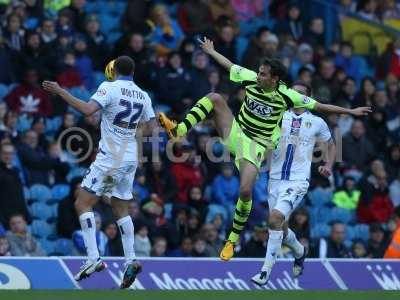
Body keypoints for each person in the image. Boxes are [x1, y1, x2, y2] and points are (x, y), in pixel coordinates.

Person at [158, 37, 371, 262]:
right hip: (236, 131)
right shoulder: (250, 79)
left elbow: (320, 106)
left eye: (263, 74)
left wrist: (351, 111)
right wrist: (211, 51)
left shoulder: (288, 95)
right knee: (215, 98)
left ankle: (231, 240)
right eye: (258, 72)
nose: (258, 76)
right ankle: (179, 129)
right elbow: (229, 65)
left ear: (274, 78)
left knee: (245, 191)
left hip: (255, 145)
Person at [42, 55, 157, 289]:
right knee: (120, 207)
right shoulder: (143, 95)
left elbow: (87, 110)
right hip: (130, 158)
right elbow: (152, 128)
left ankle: (93, 258)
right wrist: (129, 129)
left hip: (110, 157)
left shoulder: (109, 87)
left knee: (82, 203)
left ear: (114, 70)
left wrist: (61, 91)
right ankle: (131, 259)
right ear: (132, 72)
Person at [251, 82, 336, 285]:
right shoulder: (279, 115)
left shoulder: (316, 122)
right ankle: (299, 251)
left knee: (274, 220)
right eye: (293, 92)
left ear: (308, 98)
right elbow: (262, 140)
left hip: (298, 181)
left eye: (300, 93)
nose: (295, 95)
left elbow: (331, 145)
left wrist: (328, 164)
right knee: (281, 227)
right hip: (275, 179)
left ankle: (265, 271)